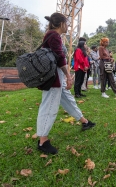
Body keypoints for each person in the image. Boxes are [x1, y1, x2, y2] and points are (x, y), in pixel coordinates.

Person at [37, 13, 95, 155]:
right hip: (53, 78)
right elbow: (60, 58)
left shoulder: (52, 35)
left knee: (68, 100)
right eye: (67, 23)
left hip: (58, 77)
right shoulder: (54, 36)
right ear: (61, 23)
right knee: (50, 106)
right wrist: (69, 76)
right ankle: (42, 141)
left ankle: (84, 121)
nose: (68, 26)